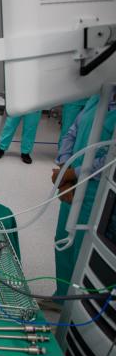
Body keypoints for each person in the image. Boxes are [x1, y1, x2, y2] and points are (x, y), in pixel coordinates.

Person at [51, 91, 116, 297]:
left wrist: (75, 173)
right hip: (72, 185)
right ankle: (62, 297)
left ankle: (79, 302)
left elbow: (111, 158)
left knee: (84, 249)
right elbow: (72, 132)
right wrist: (65, 169)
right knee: (63, 240)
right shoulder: (100, 96)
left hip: (98, 191)